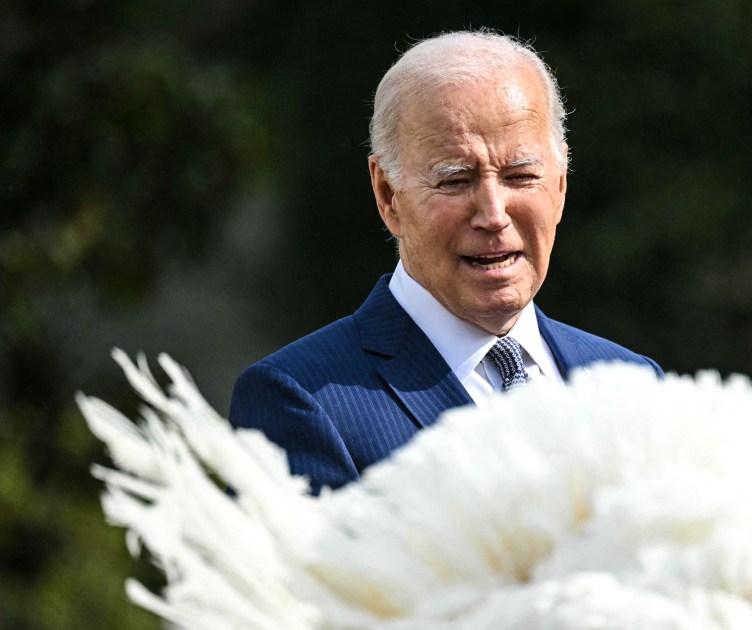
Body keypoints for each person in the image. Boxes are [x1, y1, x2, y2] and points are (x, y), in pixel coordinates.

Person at [229, 30, 661, 493]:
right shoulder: (299, 398)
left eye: (520, 176)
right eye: (455, 180)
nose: (494, 215)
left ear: (559, 185)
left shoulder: (633, 384)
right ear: (388, 195)